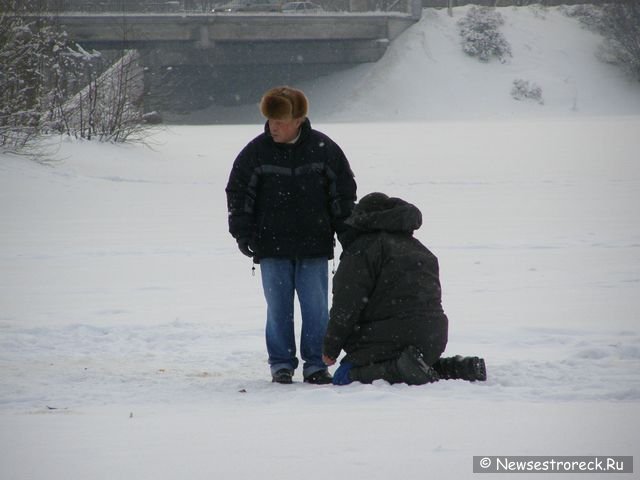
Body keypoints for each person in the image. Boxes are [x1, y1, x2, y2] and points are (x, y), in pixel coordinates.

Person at [225, 86, 357, 385]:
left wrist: (347, 231)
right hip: (271, 245)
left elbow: (343, 193)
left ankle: (315, 364)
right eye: (271, 121)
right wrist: (242, 231)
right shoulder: (255, 152)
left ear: (298, 119)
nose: (274, 127)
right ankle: (281, 363)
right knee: (278, 310)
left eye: (280, 121)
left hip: (314, 245)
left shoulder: (324, 149)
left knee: (316, 310)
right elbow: (238, 192)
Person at [322, 192, 486, 386]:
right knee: (412, 360)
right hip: (434, 335)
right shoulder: (420, 249)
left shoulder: (363, 249)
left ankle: (398, 370)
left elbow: (346, 305)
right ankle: (458, 368)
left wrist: (330, 350)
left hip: (389, 336)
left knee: (343, 375)